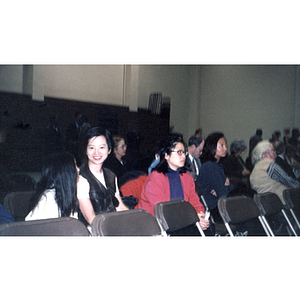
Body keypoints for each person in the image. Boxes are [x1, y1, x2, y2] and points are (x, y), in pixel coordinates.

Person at [138, 134, 209, 232]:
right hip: (156, 227)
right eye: (179, 152)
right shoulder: (156, 178)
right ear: (166, 155)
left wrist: (200, 215)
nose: (183, 156)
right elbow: (163, 212)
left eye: (184, 152)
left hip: (182, 224)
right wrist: (193, 218)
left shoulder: (187, 177)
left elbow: (195, 202)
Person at [77, 127, 128, 226]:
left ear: (109, 150)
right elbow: (91, 219)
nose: (96, 152)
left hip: (113, 224)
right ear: (86, 151)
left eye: (101, 147)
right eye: (91, 147)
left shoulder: (111, 175)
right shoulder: (81, 179)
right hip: (93, 231)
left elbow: (120, 207)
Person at [25, 152, 79, 221]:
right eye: (75, 166)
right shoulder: (49, 199)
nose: (78, 170)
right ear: (65, 172)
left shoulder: (65, 195)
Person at [198, 132, 234, 223]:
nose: (225, 148)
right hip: (215, 209)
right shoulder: (209, 166)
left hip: (221, 206)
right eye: (221, 145)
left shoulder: (218, 165)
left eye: (225, 145)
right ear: (212, 147)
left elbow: (230, 189)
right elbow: (223, 193)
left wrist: (227, 185)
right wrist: (226, 187)